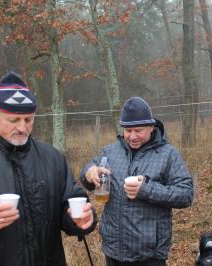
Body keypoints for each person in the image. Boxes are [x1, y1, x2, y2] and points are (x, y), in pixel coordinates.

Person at [0, 71, 97, 266]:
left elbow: (70, 203)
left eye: (28, 120)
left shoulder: (52, 158)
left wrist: (81, 219)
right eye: (14, 120)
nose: (22, 127)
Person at [80, 97, 194, 266]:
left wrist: (147, 189)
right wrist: (88, 173)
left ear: (151, 127)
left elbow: (186, 194)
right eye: (128, 130)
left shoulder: (168, 154)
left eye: (138, 130)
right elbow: (90, 173)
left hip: (149, 254)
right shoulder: (111, 151)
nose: (132, 136)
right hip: (113, 249)